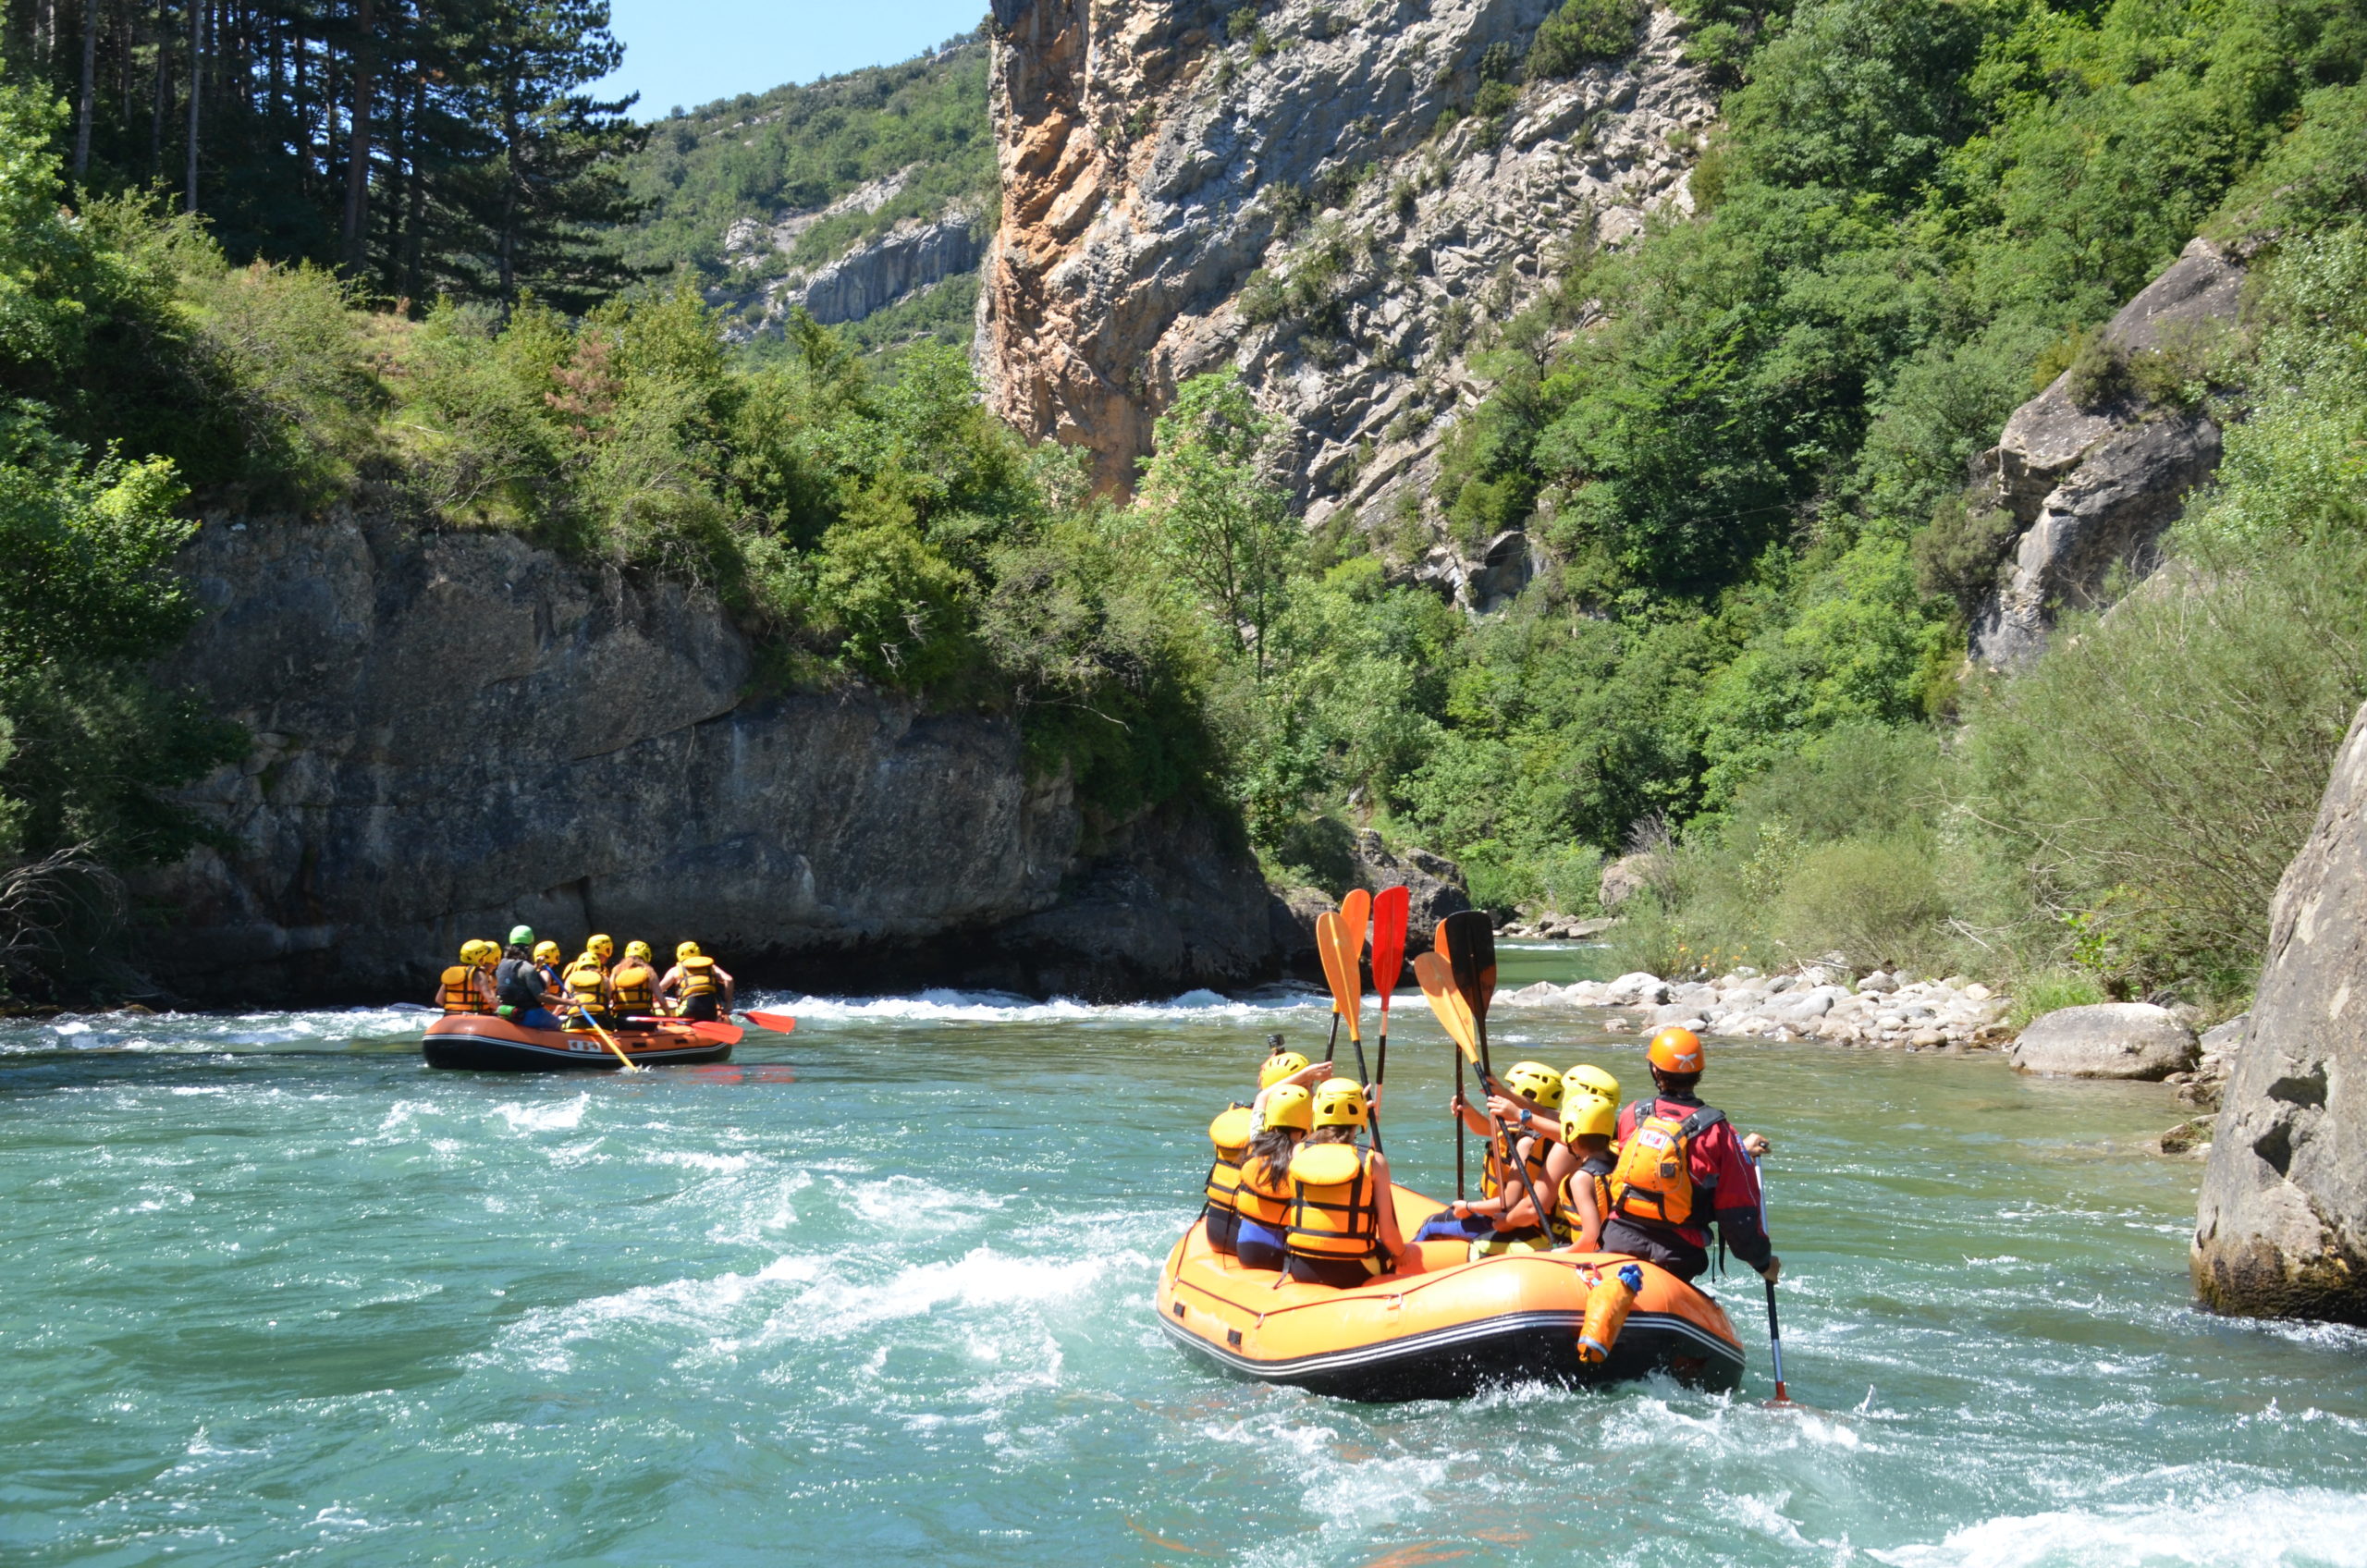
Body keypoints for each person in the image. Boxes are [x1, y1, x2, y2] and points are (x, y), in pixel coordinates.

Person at [1600, 1027, 1780, 1286]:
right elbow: (1737, 1213)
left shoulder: (1634, 1114)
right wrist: (1762, 1262)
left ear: (1655, 1070)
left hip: (1618, 1239)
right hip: (1677, 1254)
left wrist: (1738, 1148)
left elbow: (1645, 1166)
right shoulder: (1719, 1132)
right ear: (1699, 1074)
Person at [1414, 1060, 1563, 1247]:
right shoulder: (1534, 1129)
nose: (1503, 1093)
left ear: (1529, 1095)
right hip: (1514, 1219)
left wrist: (1469, 1207)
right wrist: (1467, 1110)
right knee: (1445, 1218)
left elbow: (1509, 1203)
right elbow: (1486, 1129)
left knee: (1430, 1226)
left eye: (1511, 1088)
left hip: (1515, 1224)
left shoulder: (1527, 1142)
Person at [1282, 1079, 1407, 1287]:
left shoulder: (1299, 1152)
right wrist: (1401, 1253)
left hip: (1301, 1266)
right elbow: (1387, 1235)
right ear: (1361, 1116)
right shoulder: (1374, 1161)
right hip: (1352, 1271)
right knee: (1393, 1256)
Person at [1206, 1048, 1331, 1254]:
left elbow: (1263, 1096)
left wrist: (1302, 1075)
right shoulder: (1305, 1147)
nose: (1312, 1094)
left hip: (1227, 1234)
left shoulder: (1258, 1139)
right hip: (1279, 1246)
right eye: (1308, 1087)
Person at [1233, 1084, 1313, 1271]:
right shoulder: (1305, 1158)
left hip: (1246, 1250)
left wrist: (1306, 1074)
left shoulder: (1256, 1144)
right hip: (1284, 1257)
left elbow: (1261, 1098)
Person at [1544, 1093, 1618, 1251]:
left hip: (1594, 1254)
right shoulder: (1620, 1161)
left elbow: (1592, 1237)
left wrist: (1564, 1252)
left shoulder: (1581, 1179)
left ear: (1570, 1131)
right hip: (1616, 1248)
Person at [493, 925, 564, 1031]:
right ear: (531, 945)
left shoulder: (502, 964)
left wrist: (537, 966)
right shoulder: (529, 968)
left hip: (509, 1011)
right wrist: (569, 1002)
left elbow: (520, 975)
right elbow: (541, 996)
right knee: (560, 1026)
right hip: (529, 1013)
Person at [659, 941, 736, 1021]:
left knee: (659, 1012)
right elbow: (729, 979)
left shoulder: (675, 970)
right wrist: (728, 1004)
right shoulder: (711, 967)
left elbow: (659, 990)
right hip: (710, 1011)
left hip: (689, 1011)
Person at [559, 948, 616, 1034]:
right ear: (598, 965)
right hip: (599, 1021)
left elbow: (562, 1005)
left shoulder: (570, 978)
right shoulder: (605, 979)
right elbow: (607, 1002)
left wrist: (552, 1016)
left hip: (576, 1020)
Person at [434, 941, 497, 1014]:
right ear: (480, 958)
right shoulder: (479, 974)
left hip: (451, 1015)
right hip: (474, 1017)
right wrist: (505, 1009)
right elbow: (491, 1000)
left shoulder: (451, 973)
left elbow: (439, 1000)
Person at [608, 941, 660, 1029]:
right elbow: (661, 1000)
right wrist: (669, 1017)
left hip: (621, 1021)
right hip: (645, 1020)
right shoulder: (649, 971)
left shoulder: (616, 971)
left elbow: (608, 995)